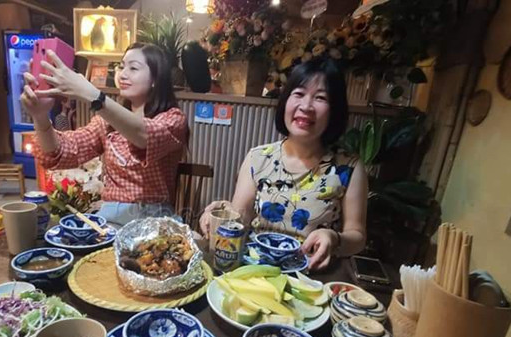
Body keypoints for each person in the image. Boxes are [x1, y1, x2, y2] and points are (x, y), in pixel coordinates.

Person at [199, 58, 368, 271]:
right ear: (286, 101)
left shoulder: (348, 167)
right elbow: (240, 218)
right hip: (255, 273)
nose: (306, 106)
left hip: (313, 277)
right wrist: (219, 213)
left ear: (334, 109)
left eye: (320, 97)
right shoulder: (258, 158)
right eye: (298, 94)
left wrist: (334, 238)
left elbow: (357, 237)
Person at [21, 43, 188, 226]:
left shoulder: (173, 119)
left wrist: (92, 94)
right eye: (121, 67)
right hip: (110, 221)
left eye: (133, 68)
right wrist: (40, 116)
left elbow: (144, 136)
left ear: (156, 78)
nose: (122, 74)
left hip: (154, 222)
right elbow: (63, 151)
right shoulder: (106, 123)